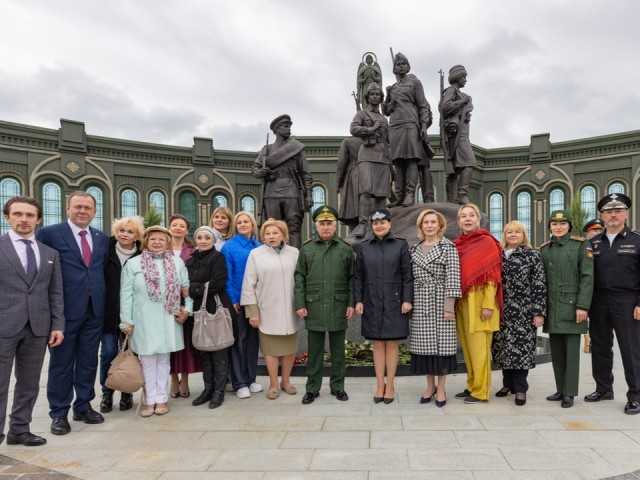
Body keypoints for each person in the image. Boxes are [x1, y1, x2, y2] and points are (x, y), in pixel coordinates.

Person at [36, 191, 109, 436]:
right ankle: (59, 413)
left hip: (94, 310)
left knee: (88, 361)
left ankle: (84, 405)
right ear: (68, 208)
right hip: (63, 312)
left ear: (94, 211)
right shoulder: (49, 234)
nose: (82, 211)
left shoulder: (101, 238)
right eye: (78, 206)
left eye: (87, 207)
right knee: (61, 364)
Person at [0, 196, 64, 447]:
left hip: (38, 327)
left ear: (38, 220)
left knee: (29, 383)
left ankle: (19, 429)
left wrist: (58, 324)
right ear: (7, 217)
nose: (23, 220)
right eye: (17, 214)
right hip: (4, 325)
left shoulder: (49, 253)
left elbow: (55, 291)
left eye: (29, 215)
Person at [120, 226, 192, 417]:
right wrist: (126, 320)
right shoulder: (134, 264)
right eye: (153, 239)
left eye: (161, 239)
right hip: (143, 318)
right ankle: (149, 399)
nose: (157, 242)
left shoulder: (177, 263)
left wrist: (188, 310)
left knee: (164, 360)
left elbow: (187, 289)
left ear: (167, 242)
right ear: (146, 242)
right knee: (147, 360)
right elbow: (126, 294)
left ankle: (161, 398)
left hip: (169, 318)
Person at [585, 194, 640, 415]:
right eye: (608, 212)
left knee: (630, 349)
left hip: (627, 300)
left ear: (626, 213)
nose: (613, 215)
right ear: (603, 216)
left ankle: (635, 395)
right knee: (599, 347)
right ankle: (604, 388)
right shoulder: (593, 242)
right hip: (598, 300)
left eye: (617, 211)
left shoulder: (636, 240)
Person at [295, 206, 355, 405]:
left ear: (335, 225)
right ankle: (312, 388)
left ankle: (338, 386)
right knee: (314, 352)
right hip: (314, 306)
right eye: (322, 223)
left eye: (329, 223)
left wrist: (351, 303)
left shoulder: (345, 249)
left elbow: (352, 278)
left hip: (338, 305)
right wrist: (300, 303)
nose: (326, 227)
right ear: (316, 226)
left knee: (338, 351)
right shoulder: (307, 248)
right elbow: (300, 277)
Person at [355, 209, 413, 404]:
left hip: (394, 301)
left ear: (389, 224)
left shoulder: (400, 245)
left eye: (383, 222)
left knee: (392, 343)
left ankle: (390, 384)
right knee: (378, 344)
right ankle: (380, 384)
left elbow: (407, 276)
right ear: (372, 225)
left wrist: (407, 300)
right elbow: (358, 277)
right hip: (371, 301)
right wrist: (358, 300)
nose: (379, 225)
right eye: (375, 222)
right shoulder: (364, 247)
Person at [241, 219, 300, 400]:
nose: (271, 236)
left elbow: (301, 281)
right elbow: (248, 285)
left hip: (290, 309)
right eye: (267, 233)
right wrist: (253, 312)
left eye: (275, 233)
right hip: (267, 309)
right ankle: (274, 384)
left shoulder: (294, 253)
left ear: (283, 234)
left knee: (289, 349)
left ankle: (286, 381)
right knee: (270, 350)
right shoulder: (256, 254)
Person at [541, 210, 593, 408]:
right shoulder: (545, 248)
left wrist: (583, 306)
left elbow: (587, 276)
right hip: (553, 308)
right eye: (554, 224)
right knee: (557, 351)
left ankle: (569, 392)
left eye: (562, 224)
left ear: (569, 226)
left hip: (572, 307)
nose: (558, 227)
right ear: (550, 227)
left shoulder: (581, 245)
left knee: (571, 352)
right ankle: (560, 389)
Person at [409, 209, 461, 408]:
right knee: (425, 349)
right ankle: (429, 386)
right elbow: (411, 279)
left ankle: (441, 388)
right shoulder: (414, 249)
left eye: (433, 222)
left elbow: (453, 278)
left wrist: (449, 307)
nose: (429, 225)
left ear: (440, 225)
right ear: (421, 226)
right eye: (426, 222)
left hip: (441, 302)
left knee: (441, 349)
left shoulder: (449, 247)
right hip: (421, 302)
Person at [492, 221, 546, 407]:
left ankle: (520, 388)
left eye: (517, 232)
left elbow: (539, 285)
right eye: (509, 232)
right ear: (504, 235)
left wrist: (538, 313)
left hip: (524, 311)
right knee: (503, 348)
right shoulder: (497, 255)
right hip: (501, 310)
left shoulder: (532, 255)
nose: (513, 235)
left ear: (524, 235)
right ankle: (507, 384)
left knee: (521, 350)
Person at [453, 203, 502, 404]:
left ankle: (481, 391)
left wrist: (488, 305)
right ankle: (472, 385)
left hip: (481, 301)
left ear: (478, 219)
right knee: (467, 347)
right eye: (463, 216)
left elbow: (493, 276)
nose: (468, 219)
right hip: (463, 301)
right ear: (458, 221)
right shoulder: (457, 244)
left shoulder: (487, 242)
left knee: (480, 349)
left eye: (471, 215)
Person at [100, 216, 144, 414]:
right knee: (109, 352)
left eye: (130, 232)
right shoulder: (105, 251)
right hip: (108, 312)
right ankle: (107, 391)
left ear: (137, 236)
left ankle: (127, 392)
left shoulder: (142, 256)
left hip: (134, 314)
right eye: (122, 231)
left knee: (131, 354)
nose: (125, 235)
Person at [186, 226, 233, 409]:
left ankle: (219, 391)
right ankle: (207, 389)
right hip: (198, 310)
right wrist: (194, 287)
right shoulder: (190, 261)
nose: (203, 240)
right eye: (200, 237)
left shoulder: (217, 257)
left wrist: (193, 289)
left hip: (215, 307)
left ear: (213, 240)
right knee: (205, 350)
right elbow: (185, 282)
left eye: (207, 237)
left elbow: (217, 283)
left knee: (219, 350)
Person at [251, 114, 313, 249]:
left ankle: (297, 262)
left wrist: (308, 194)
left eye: (289, 126)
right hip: (271, 191)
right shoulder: (266, 150)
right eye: (285, 126)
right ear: (277, 129)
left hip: (291, 191)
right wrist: (259, 172)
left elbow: (305, 174)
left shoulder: (296, 148)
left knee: (294, 228)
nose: (289, 129)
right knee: (273, 229)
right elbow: (255, 168)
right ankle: (274, 259)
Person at [220, 211, 263, 399]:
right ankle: (238, 382)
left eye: (246, 221)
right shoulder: (229, 247)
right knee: (239, 342)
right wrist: (233, 299)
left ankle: (251, 378)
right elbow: (226, 275)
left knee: (253, 342)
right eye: (239, 222)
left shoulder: (259, 246)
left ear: (253, 225)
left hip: (256, 301)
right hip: (238, 301)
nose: (243, 224)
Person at [383, 52, 432, 207]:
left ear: (408, 66)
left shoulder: (415, 83)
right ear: (394, 68)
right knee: (398, 161)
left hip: (411, 123)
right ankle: (399, 195)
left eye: (403, 63)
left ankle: (409, 194)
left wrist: (423, 125)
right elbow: (386, 111)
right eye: (398, 64)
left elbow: (423, 105)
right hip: (395, 124)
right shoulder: (392, 88)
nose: (401, 66)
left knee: (411, 159)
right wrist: (387, 97)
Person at [349, 82, 392, 238]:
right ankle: (363, 224)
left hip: (383, 156)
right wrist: (371, 129)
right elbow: (353, 129)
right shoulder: (361, 114)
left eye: (378, 94)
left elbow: (388, 140)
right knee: (366, 189)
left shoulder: (384, 119)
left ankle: (380, 222)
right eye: (372, 94)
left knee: (381, 193)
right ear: (368, 97)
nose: (375, 97)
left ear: (381, 98)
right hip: (367, 154)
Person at [168, 214, 199, 399]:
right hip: (165, 303)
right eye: (174, 225)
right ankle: (173, 378)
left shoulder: (193, 251)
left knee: (186, 342)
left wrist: (187, 305)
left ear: (187, 230)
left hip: (187, 301)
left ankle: (185, 378)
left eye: (181, 225)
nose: (178, 228)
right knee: (170, 343)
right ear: (170, 227)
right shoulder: (161, 248)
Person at [440, 65, 476, 204]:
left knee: (453, 169)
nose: (466, 80)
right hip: (456, 135)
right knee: (470, 162)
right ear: (457, 77)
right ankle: (461, 194)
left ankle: (451, 200)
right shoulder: (451, 90)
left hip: (461, 133)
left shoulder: (460, 94)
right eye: (464, 77)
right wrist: (463, 102)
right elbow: (445, 107)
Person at [582, 218, 604, 354]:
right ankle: (590, 342)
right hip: (589, 290)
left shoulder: (607, 244)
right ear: (588, 232)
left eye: (600, 230)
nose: (597, 232)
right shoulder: (585, 246)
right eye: (594, 230)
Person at [336, 136, 363, 231]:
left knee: (353, 213)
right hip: (370, 177)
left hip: (353, 178)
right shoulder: (374, 140)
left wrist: (338, 183)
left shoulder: (348, 142)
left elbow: (341, 164)